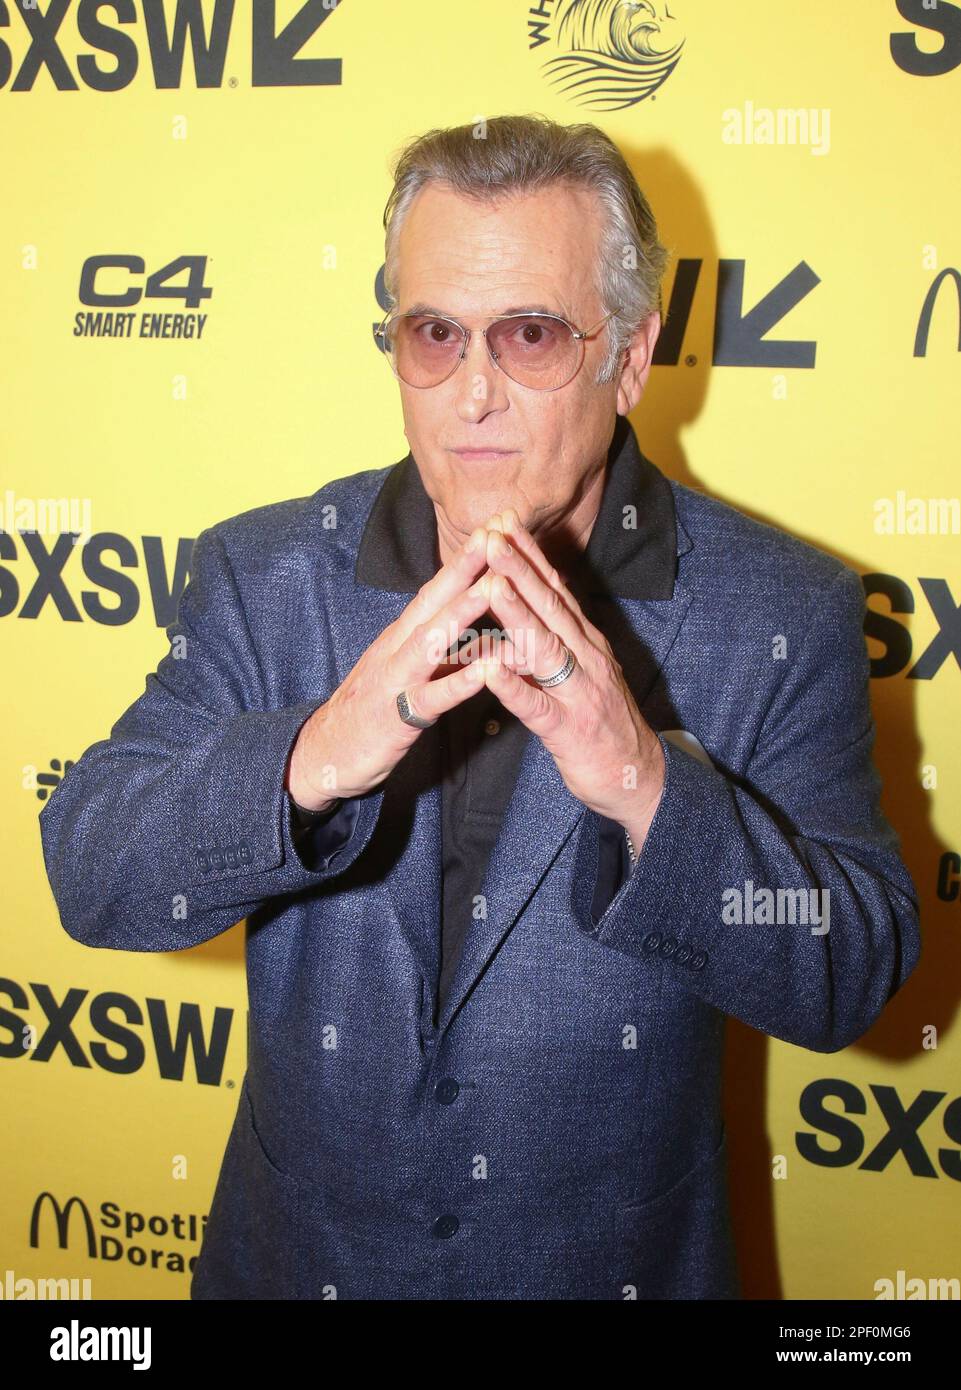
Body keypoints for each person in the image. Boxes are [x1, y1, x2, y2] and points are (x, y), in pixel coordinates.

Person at [39, 114, 921, 1300]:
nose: (472, 394)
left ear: (633, 354)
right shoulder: (263, 576)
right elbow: (93, 870)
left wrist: (646, 788)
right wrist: (310, 758)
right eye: (434, 333)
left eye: (532, 335)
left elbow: (849, 973)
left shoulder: (784, 610)